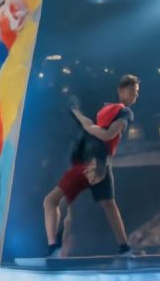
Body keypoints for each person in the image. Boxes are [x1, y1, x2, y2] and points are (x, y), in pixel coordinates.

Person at [42, 74, 139, 257]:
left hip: (93, 164)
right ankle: (124, 248)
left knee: (55, 201)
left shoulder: (125, 113)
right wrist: (78, 114)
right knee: (108, 205)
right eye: (133, 91)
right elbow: (92, 127)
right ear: (121, 90)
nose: (135, 95)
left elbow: (108, 135)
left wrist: (89, 127)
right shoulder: (107, 111)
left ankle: (54, 246)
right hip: (97, 163)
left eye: (136, 92)